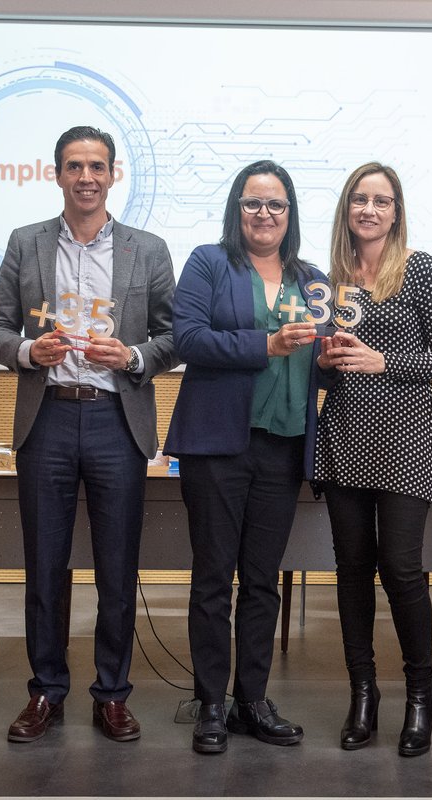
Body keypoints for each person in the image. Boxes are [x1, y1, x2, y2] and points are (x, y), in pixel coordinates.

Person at [0, 125, 177, 744]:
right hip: (47, 416)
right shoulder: (26, 242)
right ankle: (45, 689)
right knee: (45, 564)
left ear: (113, 174)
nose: (86, 177)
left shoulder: (148, 249)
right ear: (58, 174)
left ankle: (112, 694)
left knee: (117, 568)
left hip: (116, 419)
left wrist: (133, 356)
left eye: (97, 166)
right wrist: (27, 352)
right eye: (74, 166)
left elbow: (174, 336)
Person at [164, 160, 324, 755]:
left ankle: (252, 700)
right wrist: (266, 344)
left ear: (290, 213)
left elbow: (320, 361)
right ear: (237, 209)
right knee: (213, 579)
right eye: (253, 203)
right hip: (217, 446)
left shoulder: (312, 279)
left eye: (276, 204)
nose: (264, 214)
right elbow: (188, 338)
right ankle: (211, 702)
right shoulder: (209, 262)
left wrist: (331, 357)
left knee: (262, 581)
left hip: (283, 446)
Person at [314, 162, 432, 757]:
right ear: (346, 208)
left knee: (401, 569)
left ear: (396, 211)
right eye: (360, 199)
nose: (369, 210)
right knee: (351, 569)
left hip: (406, 442)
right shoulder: (328, 280)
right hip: (344, 435)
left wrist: (383, 362)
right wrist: (322, 363)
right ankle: (363, 693)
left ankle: (421, 694)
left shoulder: (421, 269)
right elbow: (321, 370)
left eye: (381, 200)